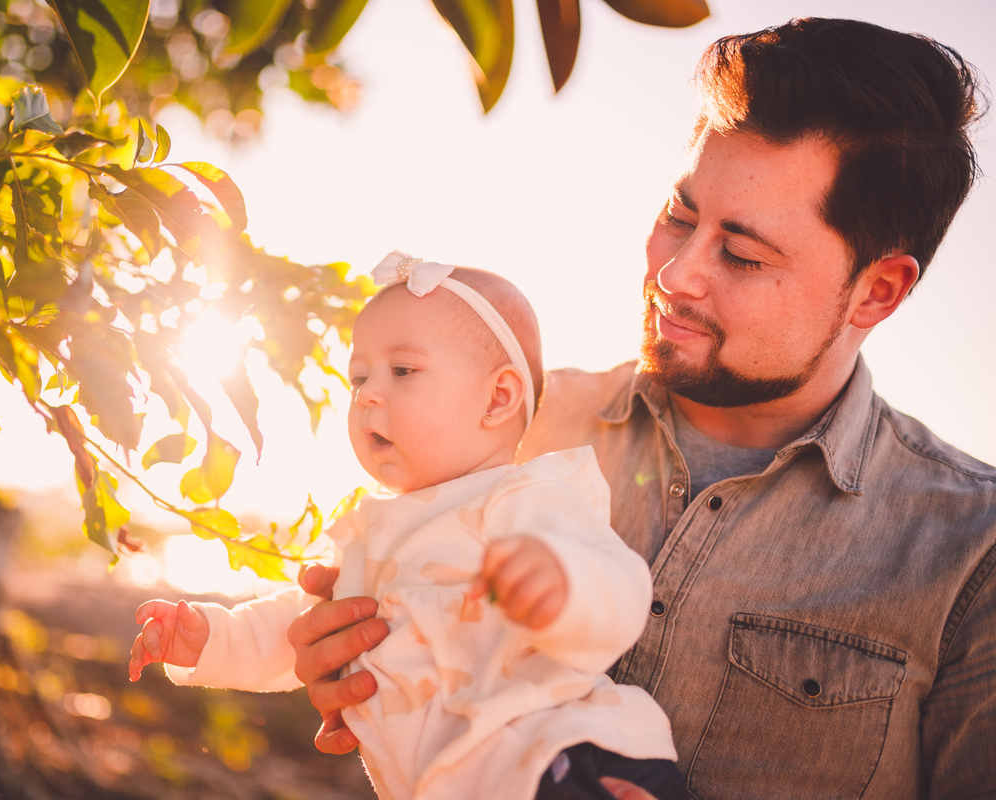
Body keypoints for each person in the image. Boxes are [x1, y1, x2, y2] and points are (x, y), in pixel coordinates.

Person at [286, 18, 996, 800]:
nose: (676, 274)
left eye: (743, 255)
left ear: (878, 290)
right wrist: (354, 665)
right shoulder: (506, 426)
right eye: (679, 216)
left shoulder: (971, 555)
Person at [129, 252, 685, 800]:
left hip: (560, 759)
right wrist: (212, 638)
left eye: (403, 371)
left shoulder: (526, 497)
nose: (368, 393)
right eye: (359, 377)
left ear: (497, 397)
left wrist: (565, 587)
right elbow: (300, 627)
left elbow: (620, 583)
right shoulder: (372, 533)